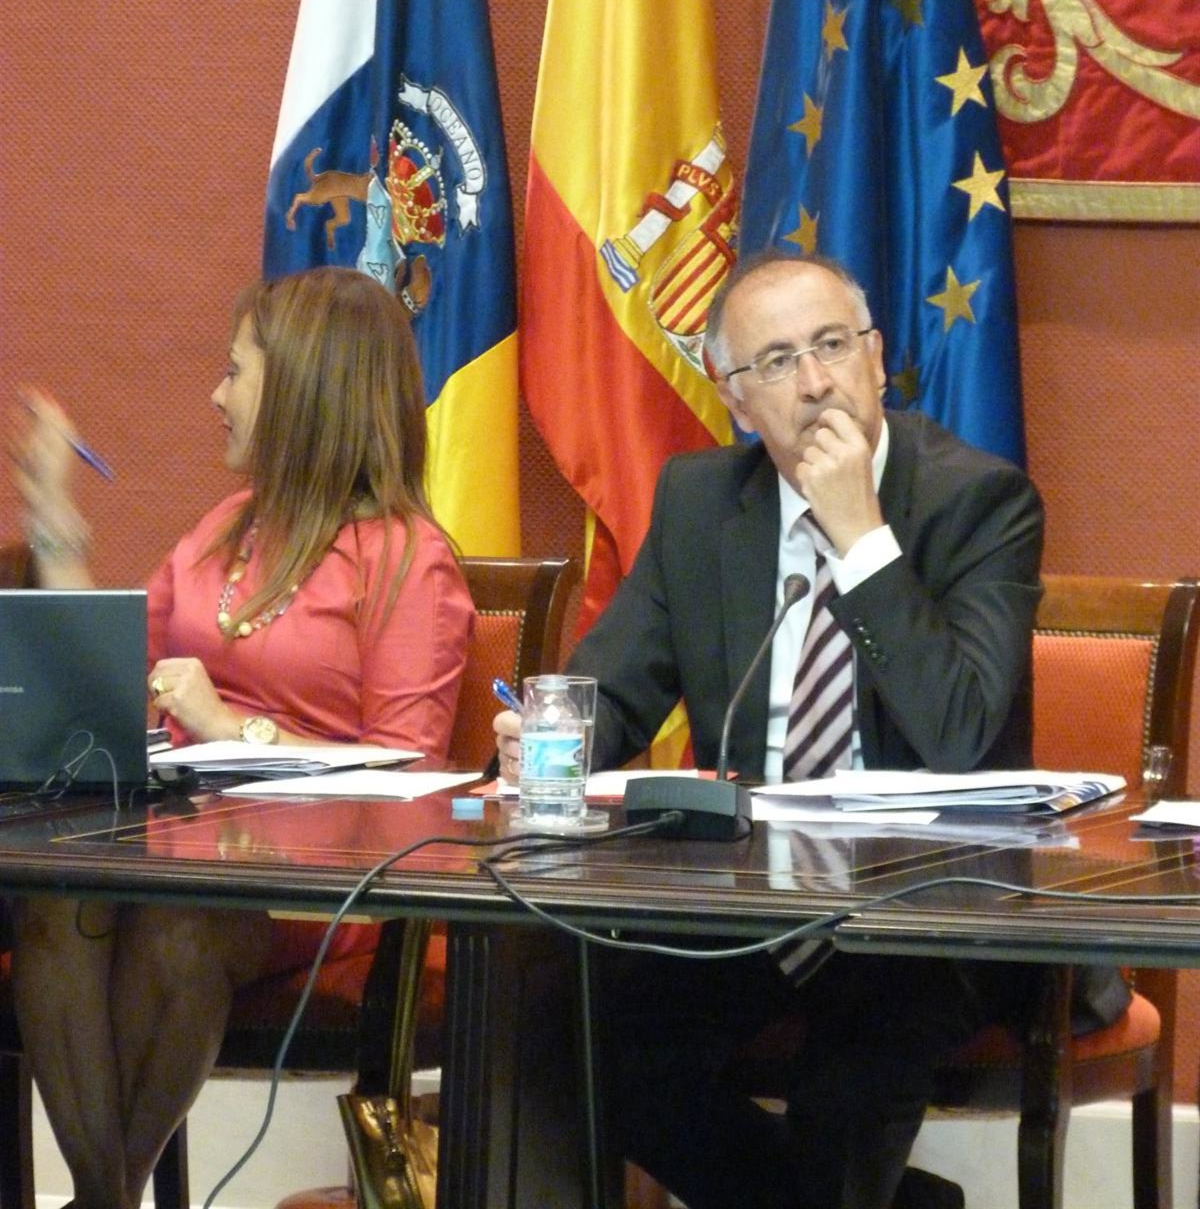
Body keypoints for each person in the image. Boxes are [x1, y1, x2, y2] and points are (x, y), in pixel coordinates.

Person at [496, 249, 1053, 1209]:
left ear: (876, 357)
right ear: (737, 399)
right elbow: (614, 691)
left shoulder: (979, 501)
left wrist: (861, 538)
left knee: (848, 1080)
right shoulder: (702, 502)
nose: (817, 381)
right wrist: (551, 738)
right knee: (567, 1030)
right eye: (780, 362)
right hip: (750, 899)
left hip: (932, 909)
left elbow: (960, 731)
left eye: (834, 346)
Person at [9, 265, 474, 1209]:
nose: (216, 396)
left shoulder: (406, 559)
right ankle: (110, 1199)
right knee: (56, 905)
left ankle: (101, 1198)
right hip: (180, 849)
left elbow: (415, 776)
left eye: (234, 372)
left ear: (303, 390)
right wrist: (55, 521)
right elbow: (110, 679)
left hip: (314, 880)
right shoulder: (226, 529)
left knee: (181, 927)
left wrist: (236, 729)